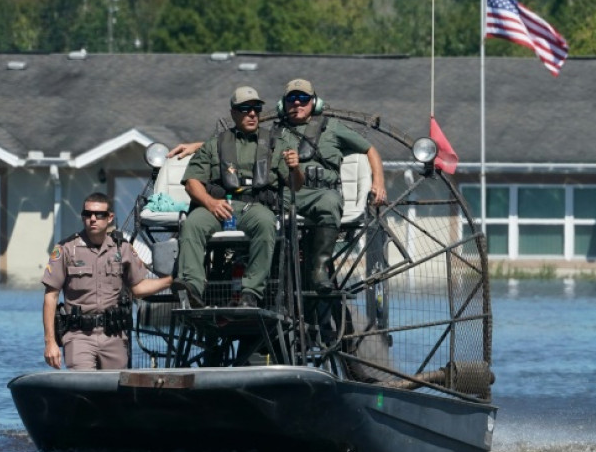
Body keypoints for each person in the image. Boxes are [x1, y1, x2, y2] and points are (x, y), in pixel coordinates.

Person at [168, 78, 386, 293]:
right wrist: (198, 146)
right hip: (286, 194)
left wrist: (379, 182)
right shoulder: (274, 133)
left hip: (317, 193)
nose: (297, 103)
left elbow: (369, 149)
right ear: (284, 104)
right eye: (292, 99)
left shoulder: (333, 128)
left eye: (303, 98)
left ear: (315, 102)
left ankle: (318, 270)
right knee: (258, 210)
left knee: (329, 202)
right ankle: (210, 283)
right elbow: (238, 140)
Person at [173, 86, 303, 309]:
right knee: (192, 223)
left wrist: (295, 168)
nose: (252, 113)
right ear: (233, 113)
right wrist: (210, 202)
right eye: (245, 109)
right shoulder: (214, 145)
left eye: (256, 108)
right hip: (218, 206)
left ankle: (250, 293)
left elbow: (296, 185)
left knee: (265, 223)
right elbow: (192, 183)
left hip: (254, 208)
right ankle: (192, 288)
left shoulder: (276, 144)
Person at [42, 192, 172, 370]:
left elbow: (138, 288)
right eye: (87, 214)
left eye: (99, 214)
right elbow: (51, 296)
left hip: (114, 336)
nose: (93, 219)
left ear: (110, 217)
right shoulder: (66, 249)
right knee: (83, 386)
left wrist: (171, 281)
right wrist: (50, 343)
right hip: (79, 336)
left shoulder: (123, 249)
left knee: (115, 390)